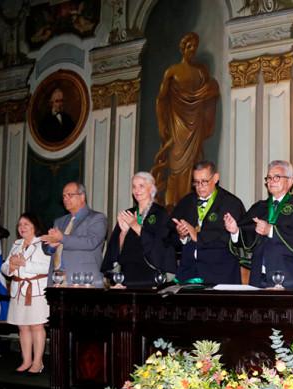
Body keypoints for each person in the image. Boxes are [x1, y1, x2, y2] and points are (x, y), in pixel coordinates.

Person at [151, 32, 220, 210]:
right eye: (189, 46)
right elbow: (161, 99)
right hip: (177, 123)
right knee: (175, 167)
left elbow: (209, 91)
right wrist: (161, 124)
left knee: (192, 165)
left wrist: (213, 90)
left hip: (195, 123)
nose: (192, 50)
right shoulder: (172, 71)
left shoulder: (201, 71)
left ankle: (190, 203)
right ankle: (171, 204)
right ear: (183, 48)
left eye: (194, 47)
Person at [224, 160, 293, 289]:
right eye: (269, 178)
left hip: (289, 275)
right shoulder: (259, 207)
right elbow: (247, 234)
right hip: (258, 275)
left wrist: (271, 231)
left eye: (277, 177)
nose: (271, 181)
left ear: (290, 181)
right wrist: (235, 231)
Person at [170, 161, 246, 284]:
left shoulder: (231, 203)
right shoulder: (186, 202)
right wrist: (182, 236)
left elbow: (234, 240)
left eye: (204, 181)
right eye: (196, 182)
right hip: (189, 272)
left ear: (216, 178)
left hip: (220, 273)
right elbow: (170, 237)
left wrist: (197, 236)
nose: (200, 186)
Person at [101, 172, 176, 287]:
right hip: (128, 275)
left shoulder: (161, 214)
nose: (137, 190)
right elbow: (116, 250)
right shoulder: (128, 213)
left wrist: (136, 226)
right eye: (134, 187)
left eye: (141, 186)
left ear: (151, 188)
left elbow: (161, 247)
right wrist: (124, 233)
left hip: (150, 277)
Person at [1, 213, 50, 374]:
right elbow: (4, 267)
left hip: (36, 291)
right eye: (20, 224)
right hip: (18, 290)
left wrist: (24, 264)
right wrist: (12, 267)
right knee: (22, 327)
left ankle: (38, 362)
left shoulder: (43, 243)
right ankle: (26, 360)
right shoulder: (16, 244)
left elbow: (47, 267)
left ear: (35, 226)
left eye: (26, 224)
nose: (22, 227)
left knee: (36, 326)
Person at [41, 182, 107, 286]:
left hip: (83, 280)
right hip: (57, 281)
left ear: (82, 197)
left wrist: (62, 238)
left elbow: (91, 242)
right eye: (63, 196)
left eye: (70, 195)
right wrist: (51, 246)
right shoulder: (59, 221)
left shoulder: (97, 218)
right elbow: (47, 249)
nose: (65, 199)